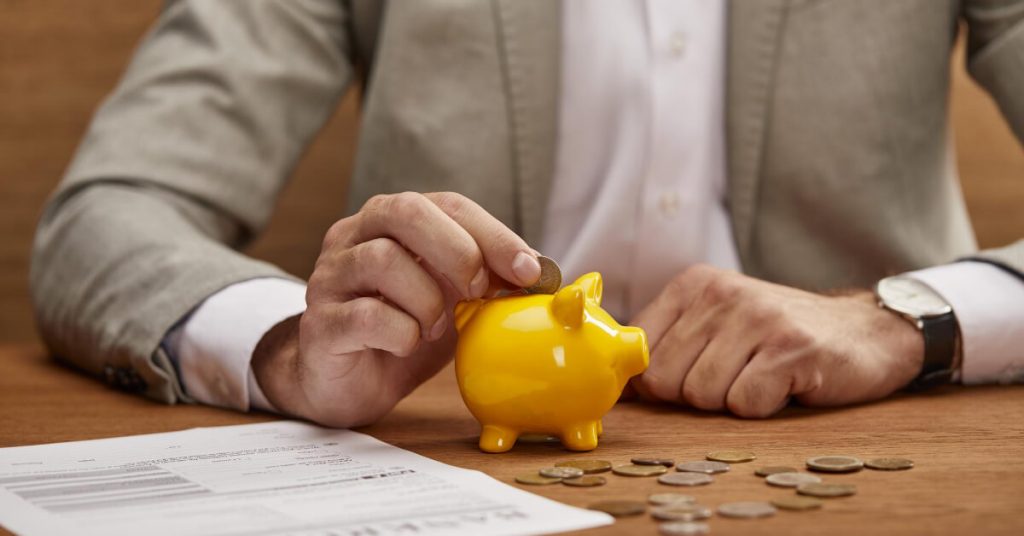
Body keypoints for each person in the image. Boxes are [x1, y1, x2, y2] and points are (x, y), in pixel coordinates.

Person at [31, 1, 1024, 428]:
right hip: (446, 469)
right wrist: (289, 347)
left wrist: (904, 319)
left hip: (879, 462)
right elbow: (109, 213)